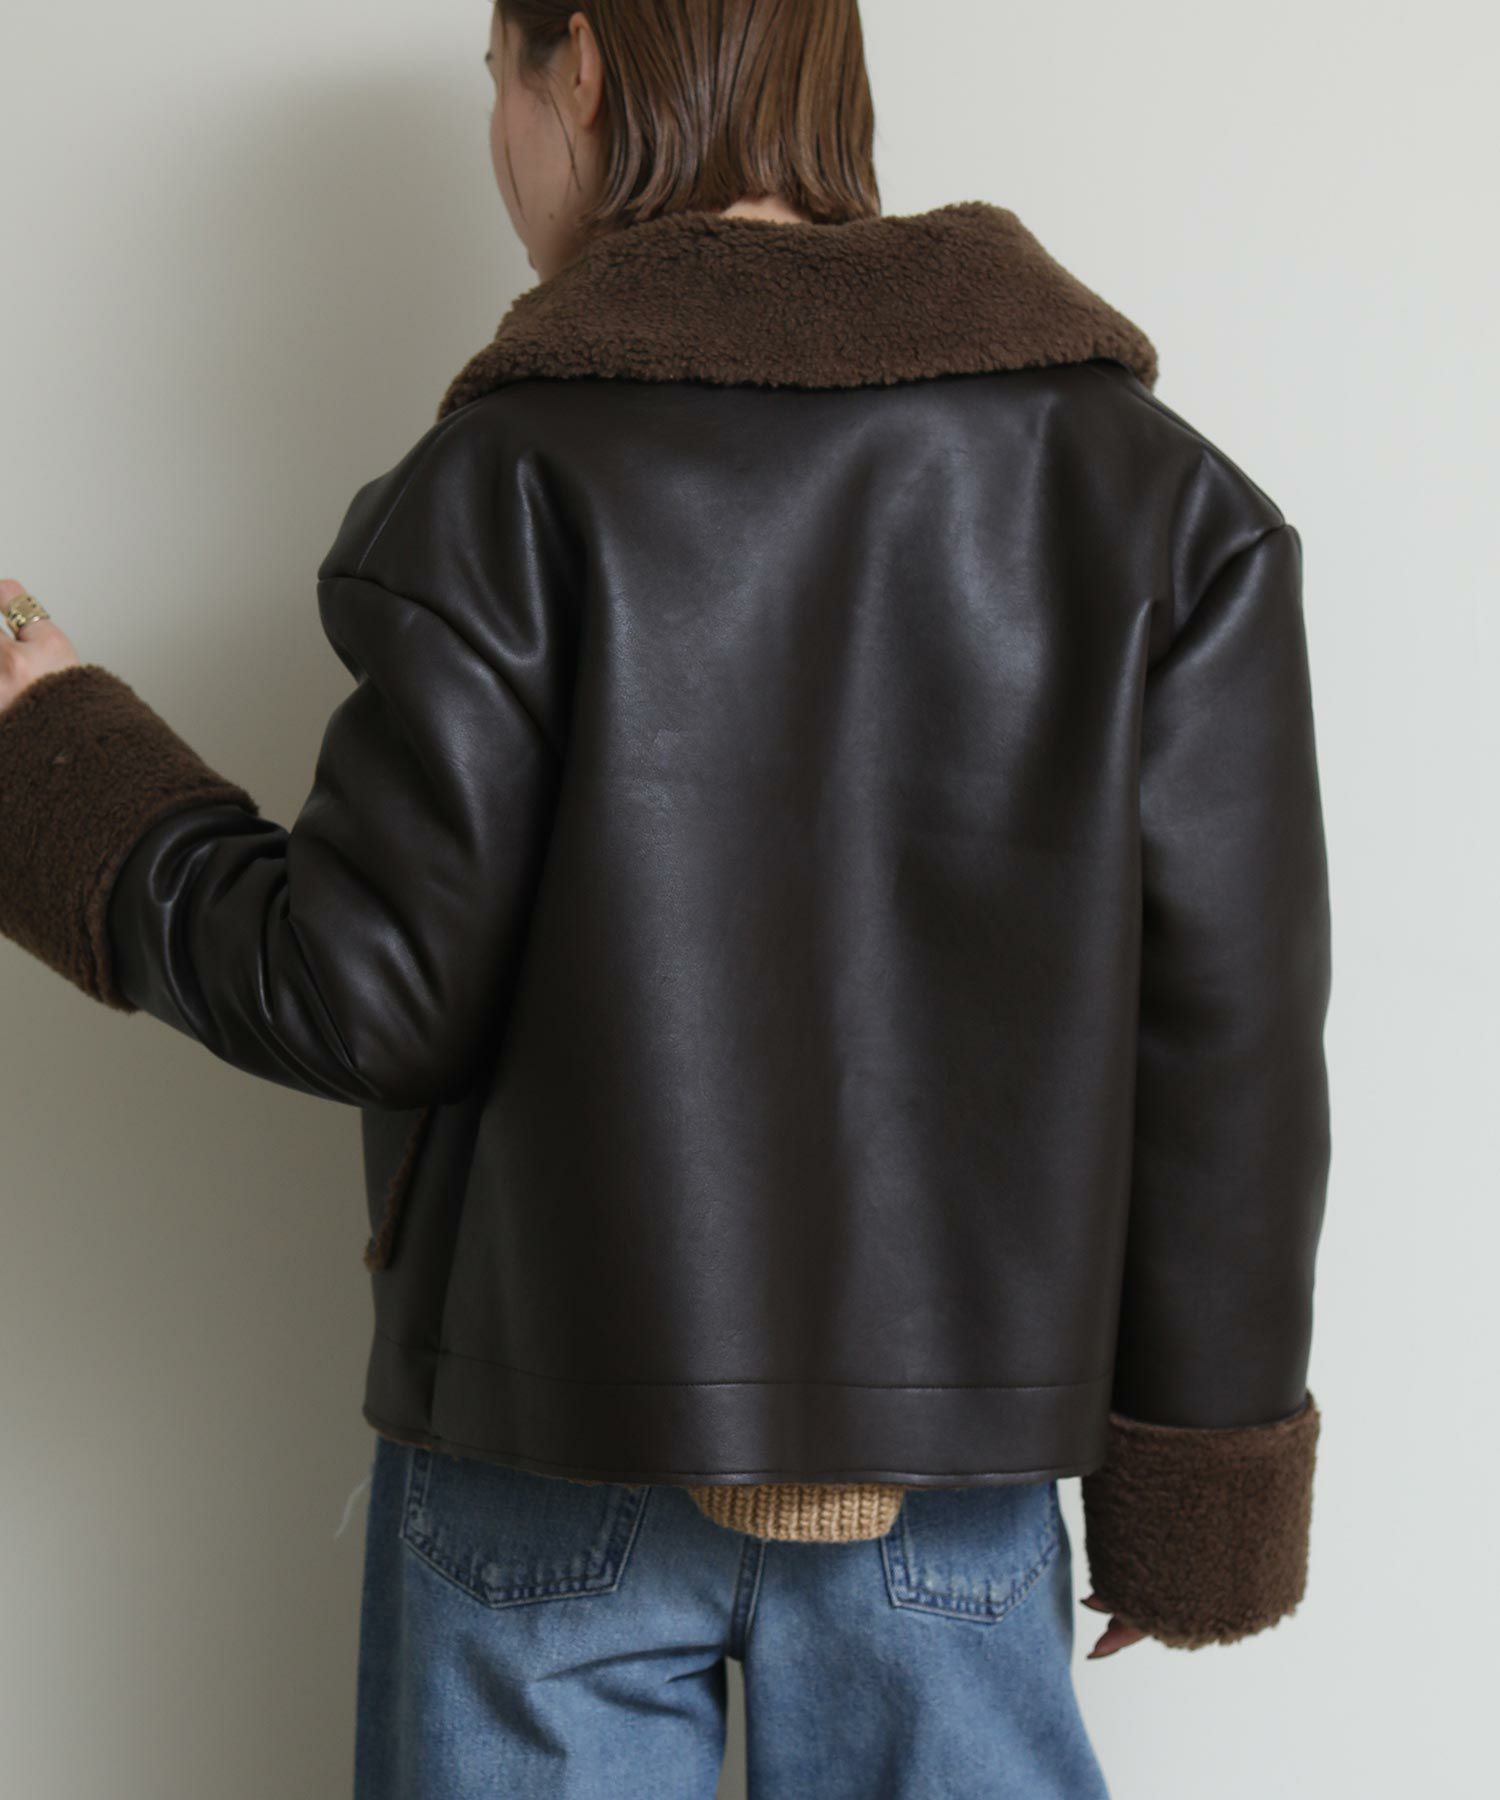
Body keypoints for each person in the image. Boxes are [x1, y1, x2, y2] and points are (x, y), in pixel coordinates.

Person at [0, 2, 1332, 1794]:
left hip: (543, 1453)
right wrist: (1201, 1479)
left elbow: (361, 992)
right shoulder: (1155, 500)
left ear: (586, 69)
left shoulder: (501, 481)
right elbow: (1230, 1041)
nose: (499, 146)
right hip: (952, 1499)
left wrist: (56, 760)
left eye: (498, 82)